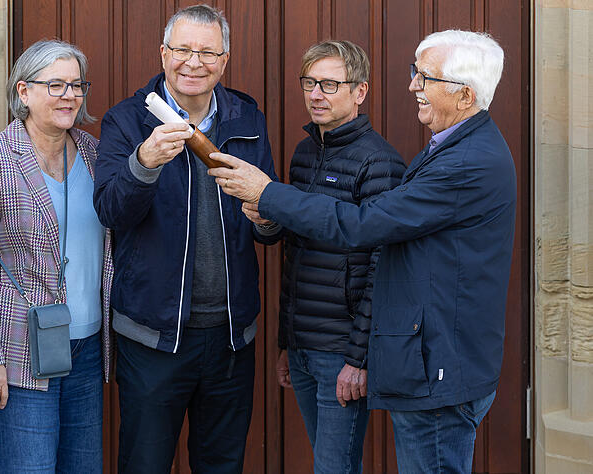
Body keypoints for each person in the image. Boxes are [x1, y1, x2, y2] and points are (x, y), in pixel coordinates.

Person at [209, 30, 513, 474]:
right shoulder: (454, 147)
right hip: (424, 358)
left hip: (439, 366)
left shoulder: (465, 163)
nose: (412, 85)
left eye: (423, 76)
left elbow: (365, 226)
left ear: (464, 94)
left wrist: (267, 192)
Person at [93, 4, 279, 473]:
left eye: (207, 52)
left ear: (224, 59)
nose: (193, 62)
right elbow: (111, 210)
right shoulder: (127, 121)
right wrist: (144, 163)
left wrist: (268, 218)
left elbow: (267, 223)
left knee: (221, 463)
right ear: (163, 53)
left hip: (231, 336)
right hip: (154, 336)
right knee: (145, 463)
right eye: (182, 50)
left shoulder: (247, 118)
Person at [0, 39, 112, 474]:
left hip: (85, 349)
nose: (69, 95)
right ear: (22, 92)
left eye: (77, 85)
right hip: (15, 353)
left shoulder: (96, 153)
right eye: (56, 85)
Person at [260, 40, 405, 474]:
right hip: (303, 345)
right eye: (309, 82)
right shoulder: (305, 153)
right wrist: (287, 343)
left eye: (329, 84)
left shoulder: (380, 162)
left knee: (334, 468)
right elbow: (294, 252)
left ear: (359, 92)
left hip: (341, 353)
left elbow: (384, 267)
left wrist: (357, 359)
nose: (316, 94)